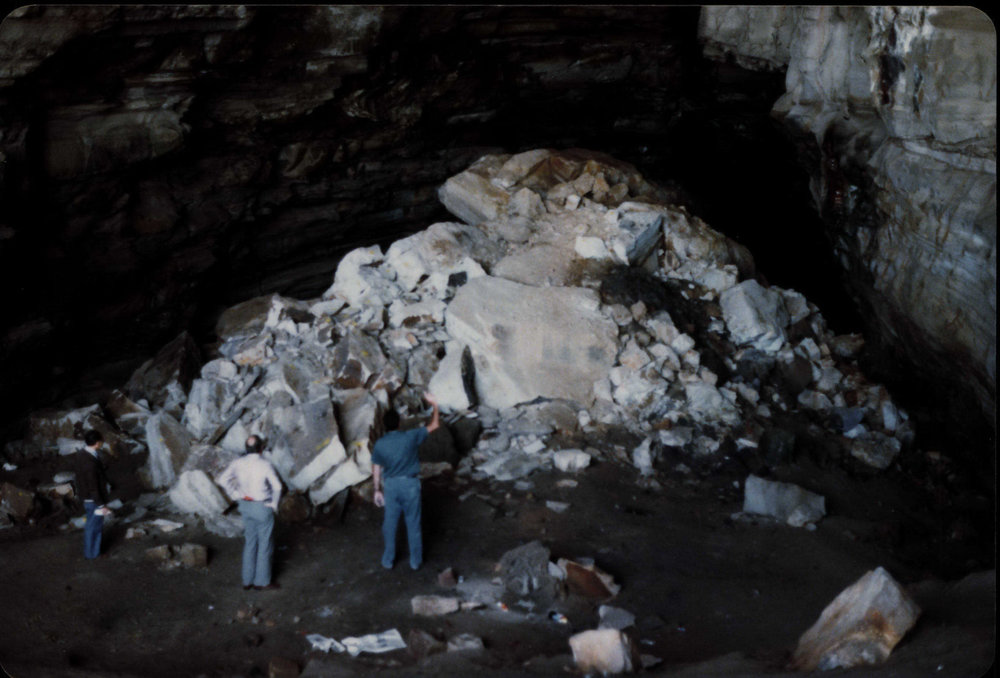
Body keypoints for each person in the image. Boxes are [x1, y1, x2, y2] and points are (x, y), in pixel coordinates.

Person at [372, 392, 439, 571]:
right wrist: (435, 404)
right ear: (399, 423)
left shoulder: (380, 444)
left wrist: (377, 490)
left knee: (390, 524)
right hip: (410, 485)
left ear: (384, 426)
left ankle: (388, 560)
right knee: (413, 523)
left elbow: (377, 467)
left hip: (391, 486)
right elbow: (434, 425)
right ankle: (415, 562)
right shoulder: (411, 436)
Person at [216, 435, 283, 590]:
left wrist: (234, 494)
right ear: (261, 449)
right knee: (265, 544)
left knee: (250, 542)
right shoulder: (265, 465)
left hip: (245, 505)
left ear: (246, 449)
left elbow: (222, 480)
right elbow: (277, 487)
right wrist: (273, 504)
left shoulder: (237, 463)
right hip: (261, 506)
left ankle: (247, 580)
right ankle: (262, 582)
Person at [73, 430, 113, 559]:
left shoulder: (82, 453)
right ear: (97, 443)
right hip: (93, 500)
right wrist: (101, 505)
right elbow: (93, 486)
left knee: (92, 524)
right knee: (94, 526)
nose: (102, 443)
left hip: (87, 497)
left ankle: (91, 552)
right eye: (101, 441)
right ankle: (92, 554)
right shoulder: (89, 463)